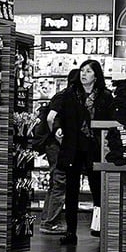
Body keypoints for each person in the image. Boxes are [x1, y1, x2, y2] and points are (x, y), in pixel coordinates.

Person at [46, 59, 113, 246]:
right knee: (71, 191)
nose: (84, 74)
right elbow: (57, 116)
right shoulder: (70, 93)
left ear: (96, 75)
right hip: (73, 146)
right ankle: (70, 231)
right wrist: (58, 129)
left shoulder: (105, 96)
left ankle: (101, 228)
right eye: (82, 70)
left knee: (98, 189)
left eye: (89, 71)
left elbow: (112, 121)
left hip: (95, 148)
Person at [38, 69, 79, 235]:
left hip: (53, 145)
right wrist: (58, 135)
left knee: (56, 182)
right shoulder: (64, 96)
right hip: (56, 146)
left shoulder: (65, 95)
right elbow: (50, 118)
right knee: (61, 181)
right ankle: (51, 222)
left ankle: (47, 219)